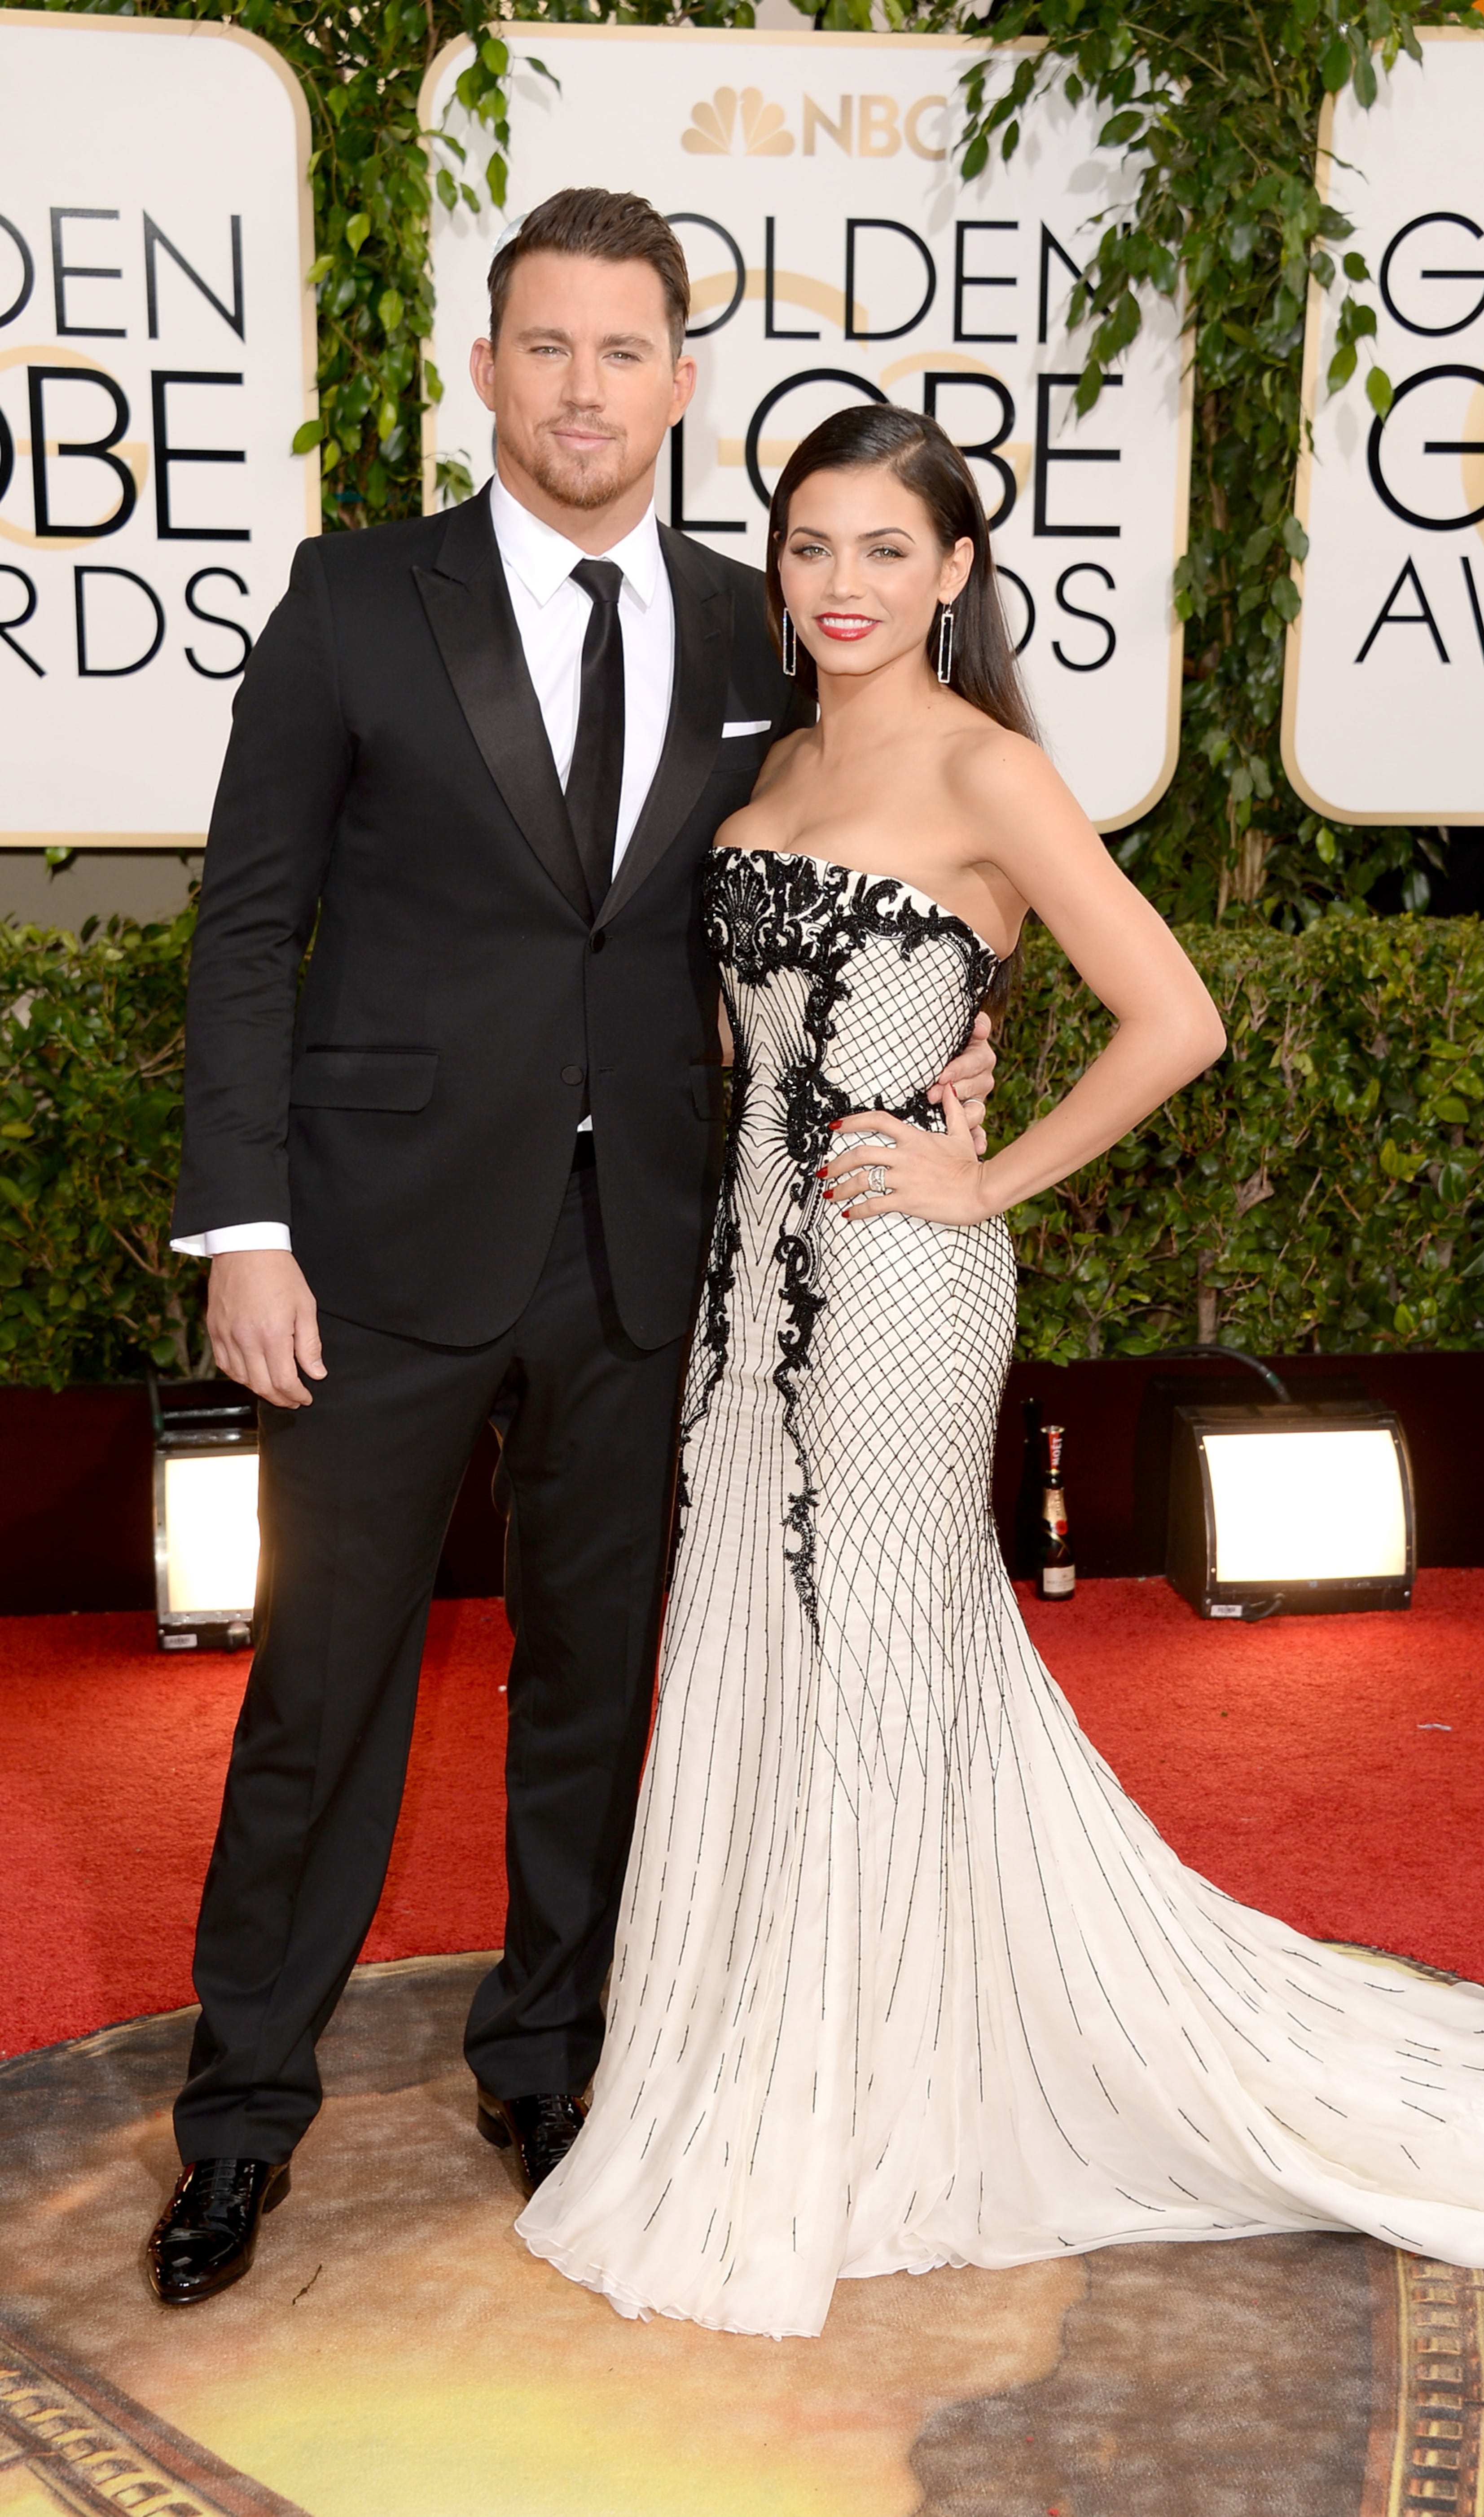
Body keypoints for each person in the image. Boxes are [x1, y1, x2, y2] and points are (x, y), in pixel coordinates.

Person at [517, 404, 1484, 2340]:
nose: (842, 585)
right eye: (811, 548)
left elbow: (1178, 1015)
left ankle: (867, 2099)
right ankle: (797, 2048)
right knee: (770, 1647)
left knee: (881, 1662)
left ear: (956, 573)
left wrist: (982, 1159)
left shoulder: (991, 770)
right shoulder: (785, 751)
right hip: (746, 1295)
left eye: (884, 551)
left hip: (906, 1288)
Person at [145, 194, 998, 2309]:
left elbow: (906, 839)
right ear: (487, 368)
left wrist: (959, 1042)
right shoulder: (356, 601)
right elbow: (249, 922)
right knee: (320, 1698)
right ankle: (241, 2113)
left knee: (597, 1689)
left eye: (628, 350)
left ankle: (550, 2053)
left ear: (683, 380)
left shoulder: (749, 624)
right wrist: (242, 1226)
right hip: (373, 1252)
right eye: (549, 346)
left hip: (655, 1258)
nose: (587, 387)